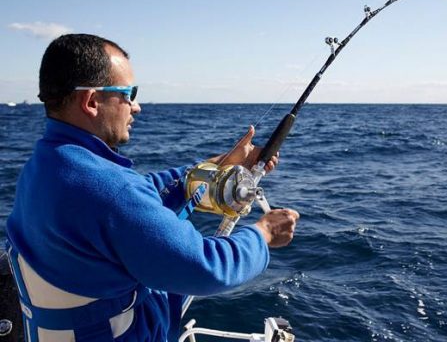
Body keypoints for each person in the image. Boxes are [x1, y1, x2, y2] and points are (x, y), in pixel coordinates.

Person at [5, 34, 300, 342]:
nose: (137, 107)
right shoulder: (110, 191)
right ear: (91, 101)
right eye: (129, 93)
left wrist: (206, 170)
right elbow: (207, 268)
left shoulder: (45, 164)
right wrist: (263, 234)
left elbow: (136, 195)